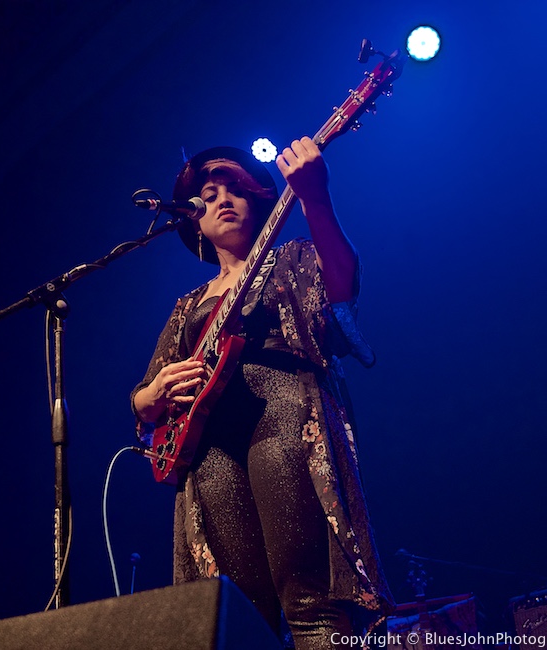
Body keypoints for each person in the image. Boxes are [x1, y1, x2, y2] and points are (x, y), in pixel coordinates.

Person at [131, 138, 394, 649]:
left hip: (284, 416)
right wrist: (152, 394)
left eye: (236, 190)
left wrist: (316, 198)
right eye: (207, 195)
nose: (222, 199)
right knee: (237, 615)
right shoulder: (186, 307)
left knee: (309, 595)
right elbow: (142, 398)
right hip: (209, 451)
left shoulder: (291, 259)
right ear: (194, 221)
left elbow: (342, 286)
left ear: (260, 201)